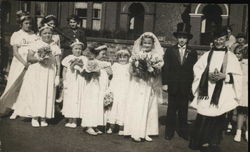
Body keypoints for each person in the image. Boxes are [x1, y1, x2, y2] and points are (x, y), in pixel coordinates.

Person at [189, 26, 242, 152]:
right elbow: (197, 69)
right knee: (204, 114)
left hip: (222, 91)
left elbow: (238, 76)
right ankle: (200, 141)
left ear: (226, 40)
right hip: (206, 90)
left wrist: (225, 76)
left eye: (222, 39)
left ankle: (213, 142)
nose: (219, 41)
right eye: (217, 39)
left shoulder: (231, 57)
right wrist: (207, 75)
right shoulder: (207, 55)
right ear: (213, 40)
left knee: (217, 115)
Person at [12, 24, 61, 127]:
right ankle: (35, 117)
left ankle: (43, 117)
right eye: (45, 33)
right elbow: (29, 58)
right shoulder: (35, 44)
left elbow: (58, 63)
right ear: (40, 34)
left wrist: (57, 76)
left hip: (49, 72)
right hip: (37, 72)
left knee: (47, 94)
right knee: (36, 94)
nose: (47, 35)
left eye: (49, 33)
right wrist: (39, 59)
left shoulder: (55, 46)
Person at [123, 32, 164, 142]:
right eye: (145, 43)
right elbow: (131, 70)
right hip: (137, 84)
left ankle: (146, 131)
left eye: (149, 43)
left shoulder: (156, 56)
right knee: (137, 107)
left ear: (152, 44)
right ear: (141, 44)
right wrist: (136, 71)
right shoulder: (136, 55)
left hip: (148, 84)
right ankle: (135, 131)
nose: (146, 45)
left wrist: (152, 70)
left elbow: (157, 70)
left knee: (148, 107)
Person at [162, 22, 197, 140]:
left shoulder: (192, 52)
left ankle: (183, 131)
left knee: (183, 110)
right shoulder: (170, 51)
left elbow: (194, 69)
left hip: (186, 85)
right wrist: (165, 83)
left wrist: (193, 85)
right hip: (173, 84)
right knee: (171, 109)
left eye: (184, 37)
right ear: (177, 38)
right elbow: (166, 68)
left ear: (188, 39)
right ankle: (169, 132)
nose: (182, 40)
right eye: (180, 37)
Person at [0, 12, 39, 118]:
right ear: (21, 24)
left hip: (31, 64)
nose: (28, 25)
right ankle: (8, 107)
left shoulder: (34, 35)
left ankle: (20, 109)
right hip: (19, 63)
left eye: (30, 24)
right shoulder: (16, 34)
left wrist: (31, 62)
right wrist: (24, 63)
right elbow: (15, 53)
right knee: (14, 84)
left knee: (26, 86)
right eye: (26, 23)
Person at [80, 43, 112, 135]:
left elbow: (109, 74)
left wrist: (109, 73)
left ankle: (95, 125)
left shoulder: (105, 64)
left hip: (101, 88)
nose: (104, 56)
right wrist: (94, 71)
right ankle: (89, 126)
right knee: (91, 105)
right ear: (96, 54)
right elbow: (86, 75)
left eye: (105, 54)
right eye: (102, 54)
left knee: (98, 106)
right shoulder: (91, 62)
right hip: (92, 87)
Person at [61, 39, 88, 128]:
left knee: (77, 98)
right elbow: (64, 71)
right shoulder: (68, 58)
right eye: (76, 49)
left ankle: (75, 120)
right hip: (71, 81)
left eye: (79, 49)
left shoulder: (84, 59)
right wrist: (65, 81)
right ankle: (69, 119)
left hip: (79, 81)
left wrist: (80, 68)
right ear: (72, 49)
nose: (78, 50)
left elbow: (85, 71)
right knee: (70, 98)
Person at [106, 49, 131, 135]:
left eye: (125, 57)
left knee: (123, 107)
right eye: (120, 57)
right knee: (113, 107)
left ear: (128, 58)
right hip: (115, 88)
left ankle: (121, 127)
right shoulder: (115, 65)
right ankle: (111, 126)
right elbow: (110, 75)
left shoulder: (130, 66)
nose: (122, 59)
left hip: (125, 89)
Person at [233, 45, 248, 142]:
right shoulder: (241, 63)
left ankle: (247, 132)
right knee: (241, 111)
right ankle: (238, 132)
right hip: (243, 89)